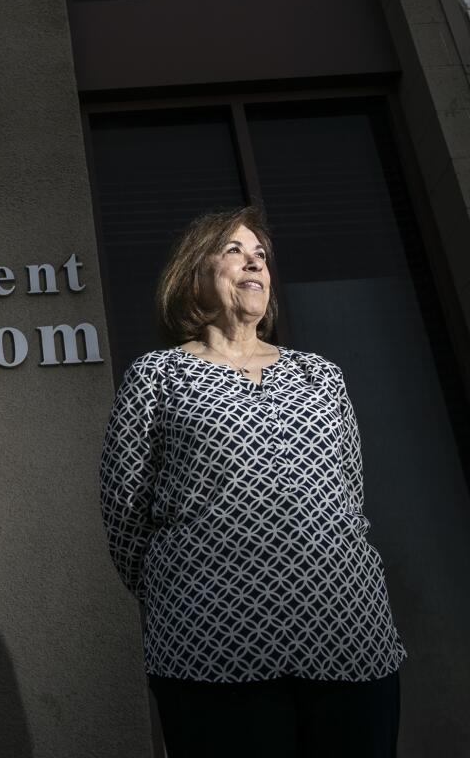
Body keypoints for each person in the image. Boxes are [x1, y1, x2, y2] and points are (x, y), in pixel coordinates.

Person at [99, 206, 406, 757]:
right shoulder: (156, 376)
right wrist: (187, 590)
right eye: (234, 251)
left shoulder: (319, 373)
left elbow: (349, 500)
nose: (254, 263)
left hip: (348, 633)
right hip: (214, 647)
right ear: (192, 275)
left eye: (261, 255)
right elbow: (125, 515)